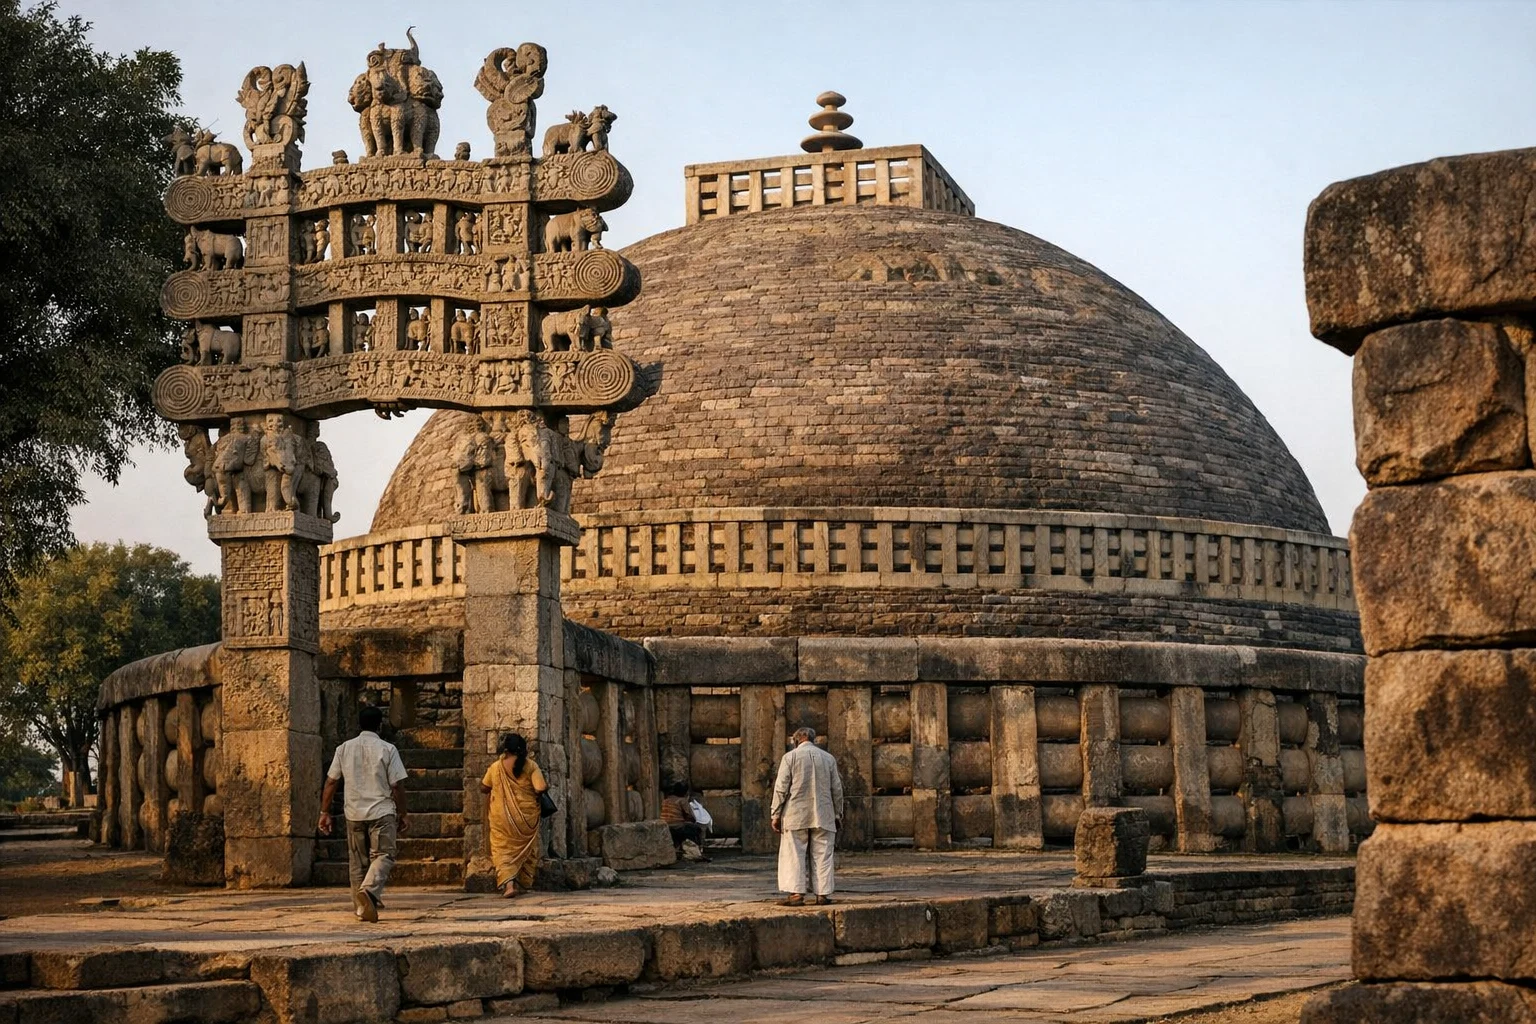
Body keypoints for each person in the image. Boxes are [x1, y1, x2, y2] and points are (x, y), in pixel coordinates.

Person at [318, 705, 408, 923]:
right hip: (381, 811)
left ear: (360, 725)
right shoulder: (387, 749)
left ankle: (361, 908)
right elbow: (396, 785)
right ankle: (368, 891)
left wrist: (324, 811)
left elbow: (331, 781)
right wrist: (403, 812)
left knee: (357, 862)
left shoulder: (344, 748)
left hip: (354, 812)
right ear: (380, 725)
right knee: (384, 855)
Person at [771, 727, 845, 907]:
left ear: (795, 741)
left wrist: (775, 813)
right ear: (813, 739)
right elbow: (837, 789)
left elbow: (781, 788)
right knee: (823, 854)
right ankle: (822, 894)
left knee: (794, 853)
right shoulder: (828, 759)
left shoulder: (790, 757)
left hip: (796, 813)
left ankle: (796, 895)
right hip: (824, 812)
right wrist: (838, 813)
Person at [480, 733, 548, 898]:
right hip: (526, 818)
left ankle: (509, 885)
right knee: (527, 849)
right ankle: (523, 882)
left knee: (502, 849)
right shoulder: (530, 765)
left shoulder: (496, 767)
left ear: (505, 749)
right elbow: (540, 787)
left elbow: (483, 787)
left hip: (501, 816)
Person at [660, 780, 710, 862]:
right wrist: (694, 820)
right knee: (696, 829)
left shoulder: (666, 800)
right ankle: (696, 852)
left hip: (665, 826)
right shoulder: (682, 800)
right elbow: (689, 815)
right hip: (677, 826)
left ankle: (678, 850)